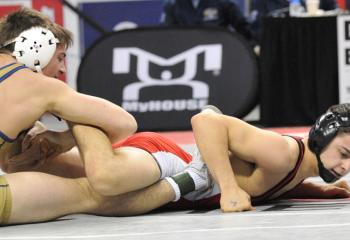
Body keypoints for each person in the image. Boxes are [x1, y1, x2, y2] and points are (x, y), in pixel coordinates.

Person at [2, 104, 350, 225]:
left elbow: (266, 184)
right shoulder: (282, 152)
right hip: (172, 163)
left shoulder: (296, 168)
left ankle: (30, 148)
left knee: (31, 164)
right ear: (321, 135)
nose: (344, 166)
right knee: (101, 186)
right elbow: (206, 121)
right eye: (345, 154)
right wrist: (228, 188)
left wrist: (319, 191)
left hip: (174, 173)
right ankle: (82, 114)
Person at [0, 8, 136, 180]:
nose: (63, 69)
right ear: (35, 48)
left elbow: (10, 163)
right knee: (103, 184)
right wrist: (63, 139)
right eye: (59, 58)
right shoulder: (39, 86)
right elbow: (125, 123)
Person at [161, 0, 257, 46]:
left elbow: (245, 31)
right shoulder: (173, 5)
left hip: (218, 57)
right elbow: (166, 36)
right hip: (185, 55)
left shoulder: (223, 3)